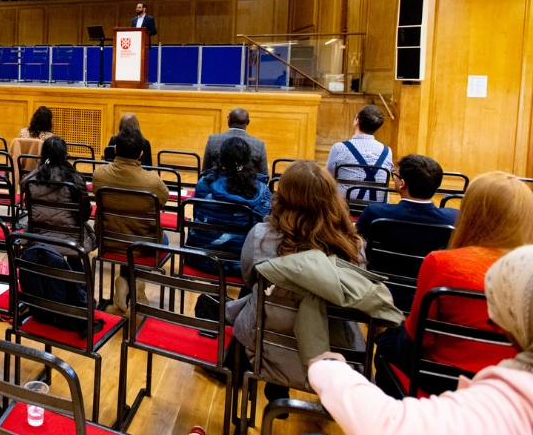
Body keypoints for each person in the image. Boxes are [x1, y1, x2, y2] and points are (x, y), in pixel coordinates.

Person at [307, 245, 533, 435]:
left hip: (420, 376)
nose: (493, 325)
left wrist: (328, 367)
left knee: (386, 341)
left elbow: (386, 427)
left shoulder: (508, 407)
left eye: (495, 319)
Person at [226, 160, 365, 402]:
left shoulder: (261, 237)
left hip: (265, 343)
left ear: (283, 197)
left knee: (256, 295)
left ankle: (268, 377)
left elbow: (249, 280)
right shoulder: (353, 247)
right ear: (332, 198)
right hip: (334, 353)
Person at [374, 171, 533, 379]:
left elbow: (419, 337)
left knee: (386, 343)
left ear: (469, 213)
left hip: (444, 378)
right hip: (515, 381)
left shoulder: (442, 262)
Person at [92, 128, 168, 314]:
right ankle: (135, 285)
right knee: (163, 240)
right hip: (144, 246)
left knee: (125, 233)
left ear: (115, 149)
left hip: (108, 242)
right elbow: (164, 201)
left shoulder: (99, 175)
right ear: (141, 154)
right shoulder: (153, 181)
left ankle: (126, 281)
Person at [185, 136, 271, 278]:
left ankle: (214, 298)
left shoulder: (203, 183)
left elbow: (197, 216)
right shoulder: (262, 191)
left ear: (221, 158)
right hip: (242, 265)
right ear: (248, 160)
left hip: (201, 258)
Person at [21, 136, 95, 257]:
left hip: (37, 236)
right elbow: (85, 214)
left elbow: (29, 209)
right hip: (71, 240)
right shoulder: (75, 179)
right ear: (64, 154)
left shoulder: (31, 179)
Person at [355, 154, 458, 240]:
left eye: (395, 176)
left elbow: (357, 239)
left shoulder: (375, 212)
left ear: (402, 184)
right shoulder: (454, 218)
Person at [325, 104, 393, 200]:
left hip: (345, 204)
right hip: (377, 206)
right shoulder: (387, 151)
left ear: (357, 121)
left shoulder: (339, 148)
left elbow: (328, 176)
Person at [202, 108, 269, 176]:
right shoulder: (259, 144)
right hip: (248, 185)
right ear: (248, 122)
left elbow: (204, 171)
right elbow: (264, 175)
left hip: (216, 185)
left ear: (229, 121)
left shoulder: (213, 139)